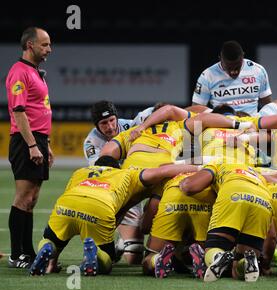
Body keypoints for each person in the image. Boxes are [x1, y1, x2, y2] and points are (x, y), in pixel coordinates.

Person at [29, 156, 199, 276]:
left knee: (53, 237)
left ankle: (48, 248)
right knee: (107, 261)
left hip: (67, 204)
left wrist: (52, 265)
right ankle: (97, 254)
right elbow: (164, 171)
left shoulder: (80, 172)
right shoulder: (125, 174)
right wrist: (199, 168)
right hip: (99, 206)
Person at [83, 100, 154, 265]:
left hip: (137, 185)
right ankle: (115, 247)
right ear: (96, 125)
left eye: (111, 120)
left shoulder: (130, 126)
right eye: (104, 123)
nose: (110, 126)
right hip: (115, 193)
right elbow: (103, 172)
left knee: (136, 255)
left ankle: (122, 243)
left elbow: (157, 110)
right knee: (134, 258)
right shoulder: (91, 142)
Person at [6, 27, 53, 268]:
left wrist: (47, 146)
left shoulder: (36, 72)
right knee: (23, 197)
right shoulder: (19, 72)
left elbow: (40, 110)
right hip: (26, 141)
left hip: (39, 140)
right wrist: (33, 145)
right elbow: (19, 112)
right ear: (30, 46)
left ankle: (27, 252)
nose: (49, 49)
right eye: (44, 45)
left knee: (32, 198)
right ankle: (16, 255)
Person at [191, 40, 273, 116]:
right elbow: (196, 111)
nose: (234, 72)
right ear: (220, 59)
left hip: (252, 124)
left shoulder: (258, 70)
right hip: (221, 126)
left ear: (243, 57)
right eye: (229, 68)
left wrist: (273, 131)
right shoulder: (207, 76)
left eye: (237, 67)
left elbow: (268, 106)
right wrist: (197, 132)